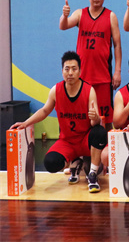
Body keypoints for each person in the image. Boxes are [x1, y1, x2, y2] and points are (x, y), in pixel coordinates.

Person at [11, 51, 107, 193]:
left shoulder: (89, 90)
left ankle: (92, 174)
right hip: (67, 141)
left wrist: (95, 117)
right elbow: (44, 111)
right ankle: (75, 163)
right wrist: (26, 123)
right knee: (50, 163)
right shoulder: (56, 90)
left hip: (85, 140)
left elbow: (96, 123)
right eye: (67, 69)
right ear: (62, 71)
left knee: (100, 132)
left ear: (80, 71)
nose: (70, 73)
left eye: (74, 69)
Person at [59, 0, 122, 129]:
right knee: (84, 116)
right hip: (82, 77)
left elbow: (117, 45)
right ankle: (84, 144)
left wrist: (117, 71)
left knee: (106, 118)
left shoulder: (110, 16)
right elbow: (63, 26)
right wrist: (65, 16)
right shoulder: (80, 14)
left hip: (103, 77)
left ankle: (106, 143)